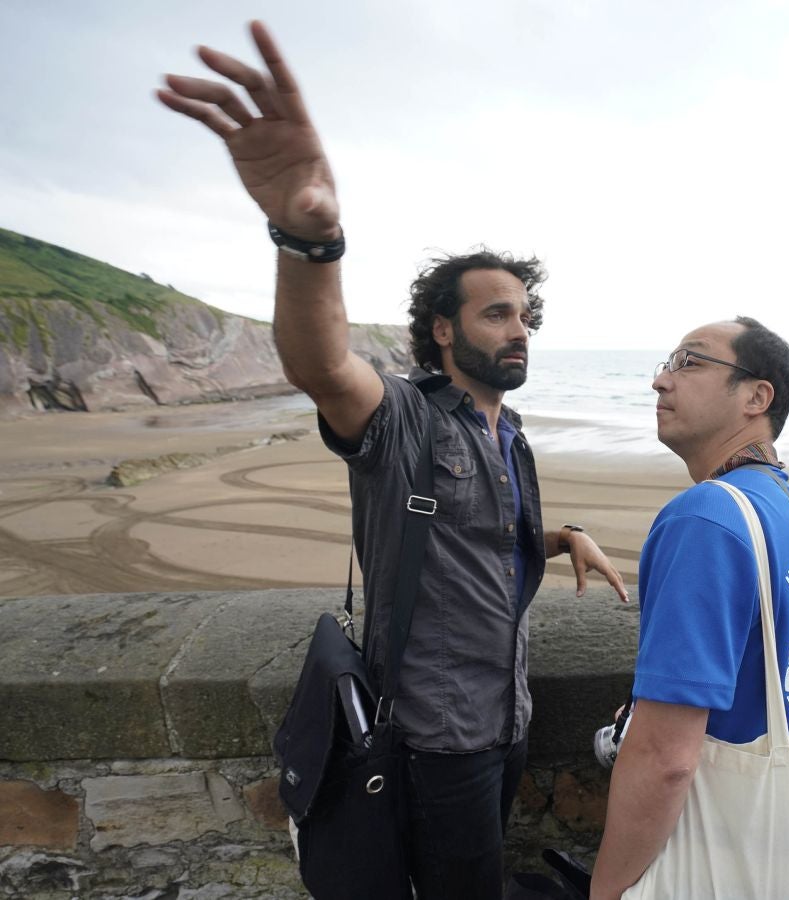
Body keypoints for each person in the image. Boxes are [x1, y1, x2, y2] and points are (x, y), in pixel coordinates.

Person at [156, 22, 628, 900]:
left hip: (507, 717)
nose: (519, 329)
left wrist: (564, 535)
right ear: (443, 329)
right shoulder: (406, 415)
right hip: (436, 734)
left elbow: (480, 537)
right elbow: (322, 366)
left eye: (525, 316)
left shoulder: (511, 433)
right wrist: (309, 241)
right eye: (496, 314)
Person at [589, 317, 789, 900]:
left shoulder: (705, 519)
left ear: (757, 397)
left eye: (690, 362)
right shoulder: (787, 509)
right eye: (667, 363)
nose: (661, 380)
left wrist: (606, 889)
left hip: (729, 847)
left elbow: (666, 758)